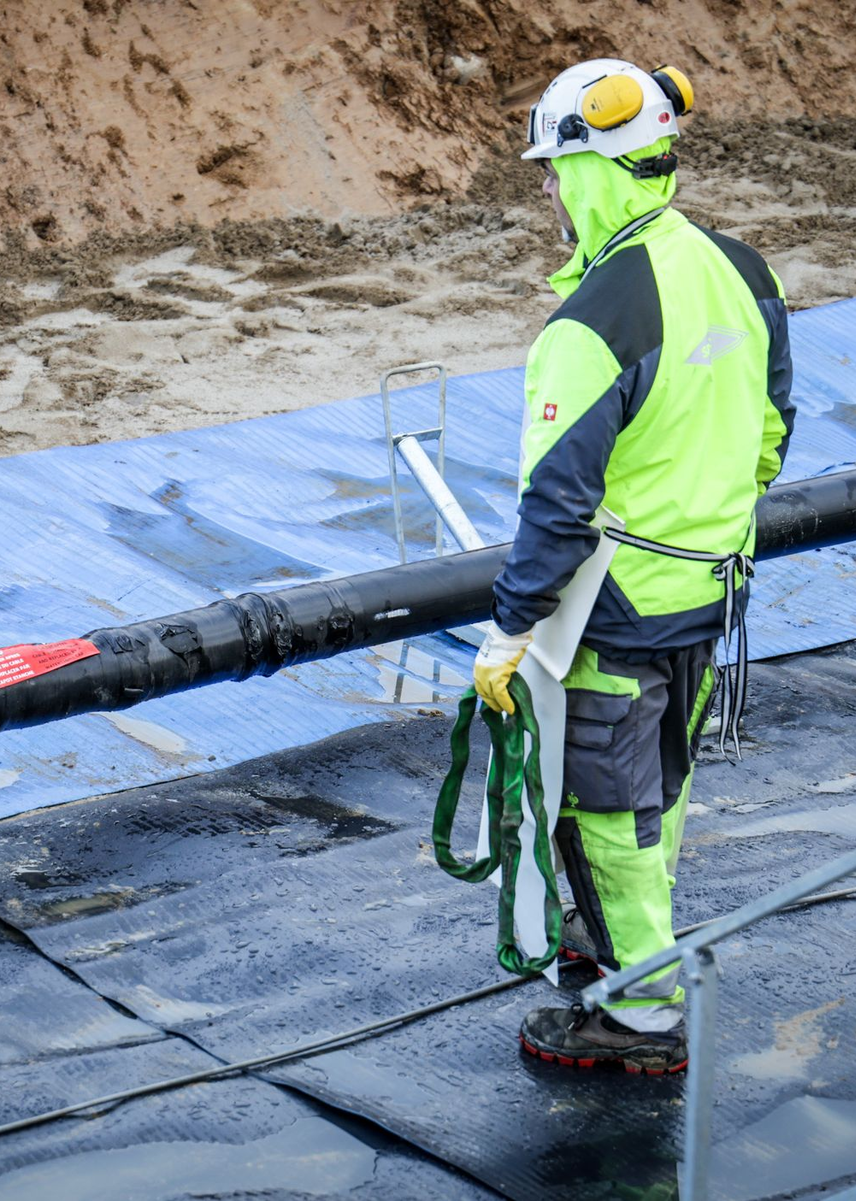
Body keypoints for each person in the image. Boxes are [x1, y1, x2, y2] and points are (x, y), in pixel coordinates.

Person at [472, 59, 794, 1073]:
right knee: (661, 789)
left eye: (559, 174)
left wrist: (513, 624)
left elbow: (557, 502)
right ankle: (613, 935)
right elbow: (774, 429)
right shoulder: (744, 272)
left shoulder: (592, 323)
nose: (556, 195)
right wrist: (708, 524)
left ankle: (641, 1014)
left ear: (595, 169)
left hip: (611, 618)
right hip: (710, 594)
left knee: (603, 810)